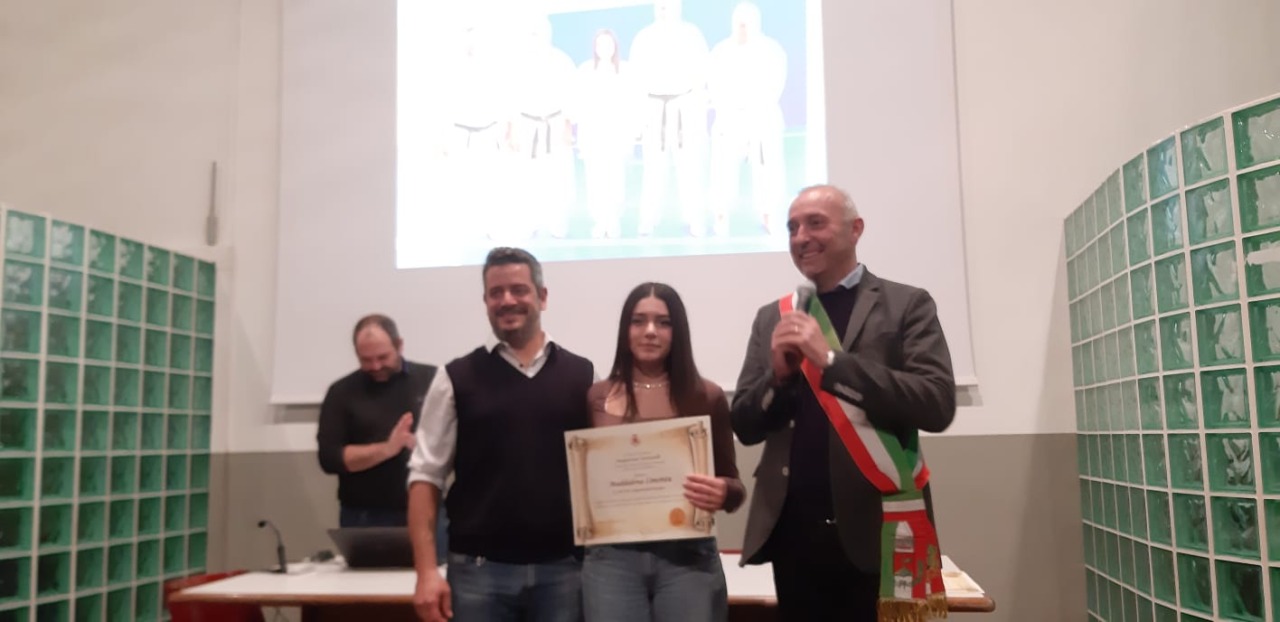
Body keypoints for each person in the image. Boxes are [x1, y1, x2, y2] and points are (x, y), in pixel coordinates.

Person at [730, 184, 956, 621]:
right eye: (792, 228)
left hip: (879, 527)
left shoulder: (906, 304)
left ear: (856, 230)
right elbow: (745, 424)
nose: (801, 237)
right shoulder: (773, 316)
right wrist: (778, 379)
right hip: (793, 533)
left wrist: (831, 362)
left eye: (815, 223)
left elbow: (936, 403)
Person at [407, 247, 595, 622]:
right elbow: (425, 477)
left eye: (519, 290)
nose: (507, 300)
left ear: (542, 297)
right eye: (496, 293)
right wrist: (426, 572)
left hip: (564, 570)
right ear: (486, 302)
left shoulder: (584, 375)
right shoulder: (454, 378)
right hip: (477, 572)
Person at [581, 282, 745, 622]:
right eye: (638, 321)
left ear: (678, 331)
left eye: (664, 322)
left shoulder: (707, 396)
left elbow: (735, 487)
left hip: (687, 557)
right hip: (613, 560)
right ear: (625, 329)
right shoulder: (596, 397)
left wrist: (722, 491)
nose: (650, 331)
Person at [315, 315, 438, 527]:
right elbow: (330, 459)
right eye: (366, 359)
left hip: (429, 506)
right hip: (364, 514)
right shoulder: (341, 392)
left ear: (399, 345)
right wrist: (388, 449)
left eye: (383, 357)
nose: (376, 366)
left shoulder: (432, 379)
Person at [629, 0, 711, 236]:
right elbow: (636, 80)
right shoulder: (644, 37)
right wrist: (639, 120)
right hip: (654, 107)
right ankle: (648, 219)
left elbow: (702, 73)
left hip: (685, 106)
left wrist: (697, 111)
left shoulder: (692, 34)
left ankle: (695, 219)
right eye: (661, 6)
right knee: (653, 169)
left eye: (669, 5)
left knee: (690, 167)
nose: (664, 10)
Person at [708, 1, 788, 236]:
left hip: (762, 117)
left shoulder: (771, 50)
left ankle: (768, 214)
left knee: (767, 170)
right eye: (739, 23)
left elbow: (776, 84)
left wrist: (754, 107)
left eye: (746, 23)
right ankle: (720, 215)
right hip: (729, 118)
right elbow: (714, 85)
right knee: (722, 170)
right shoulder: (721, 51)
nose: (742, 27)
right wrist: (730, 109)